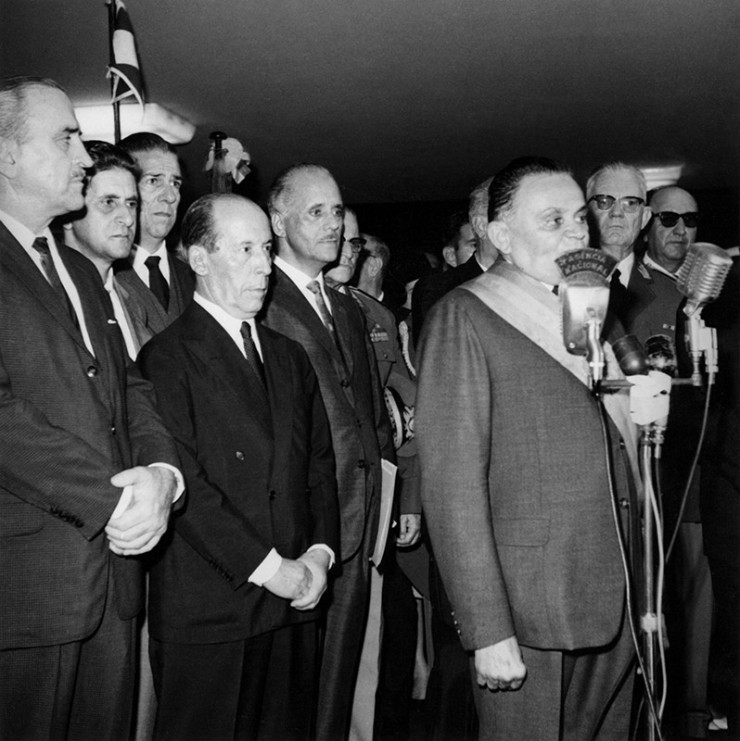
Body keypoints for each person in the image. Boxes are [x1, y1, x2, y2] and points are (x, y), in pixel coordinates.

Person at [416, 156, 640, 740]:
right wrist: (488, 629)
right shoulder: (464, 316)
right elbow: (453, 489)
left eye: (578, 217)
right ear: (500, 236)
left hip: (615, 593)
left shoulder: (593, 317)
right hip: (530, 609)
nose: (576, 231)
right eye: (552, 219)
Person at [0, 76, 181, 741]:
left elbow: (130, 389)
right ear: (7, 156)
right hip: (28, 588)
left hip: (114, 580)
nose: (82, 154)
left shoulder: (81, 272)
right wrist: (118, 500)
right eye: (65, 137)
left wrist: (163, 475)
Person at [137, 193, 338, 741]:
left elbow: (319, 464)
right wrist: (274, 569)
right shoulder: (166, 358)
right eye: (245, 249)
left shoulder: (289, 356)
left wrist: (319, 554)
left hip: (296, 600)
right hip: (215, 612)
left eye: (267, 249)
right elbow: (187, 489)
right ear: (199, 259)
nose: (264, 266)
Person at [261, 163, 395, 740]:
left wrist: (397, 496)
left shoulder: (347, 306)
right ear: (278, 220)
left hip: (359, 516)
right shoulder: (260, 299)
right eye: (316, 211)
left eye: (337, 211)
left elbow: (370, 412)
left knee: (338, 679)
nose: (333, 224)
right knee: (291, 687)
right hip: (300, 524)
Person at [63, 140, 151, 359]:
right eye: (109, 202)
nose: (128, 218)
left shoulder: (134, 301)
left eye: (131, 204)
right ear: (68, 215)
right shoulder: (50, 298)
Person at [115, 132, 194, 343]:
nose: (170, 196)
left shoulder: (198, 278)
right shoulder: (103, 276)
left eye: (175, 183)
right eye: (153, 181)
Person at [586, 162, 652, 331]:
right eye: (604, 201)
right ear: (586, 214)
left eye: (630, 203)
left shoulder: (674, 295)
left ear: (644, 217)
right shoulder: (563, 287)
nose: (616, 212)